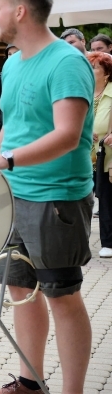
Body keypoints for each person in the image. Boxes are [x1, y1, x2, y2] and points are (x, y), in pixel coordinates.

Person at [0, 0, 94, 394]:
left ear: (20, 10)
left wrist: (7, 160)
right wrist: (2, 174)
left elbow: (67, 134)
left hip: (56, 199)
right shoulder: (12, 63)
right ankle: (30, 383)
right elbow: (12, 125)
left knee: (61, 296)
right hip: (15, 195)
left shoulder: (67, 62)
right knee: (21, 289)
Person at [89, 52, 112, 259]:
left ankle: (108, 242)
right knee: (82, 199)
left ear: (106, 74)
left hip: (107, 156)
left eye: (95, 67)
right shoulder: (83, 91)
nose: (91, 69)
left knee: (105, 198)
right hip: (82, 156)